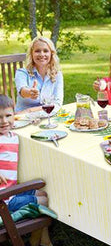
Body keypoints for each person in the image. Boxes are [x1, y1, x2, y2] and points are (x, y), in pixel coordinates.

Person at [0, 94, 52, 245]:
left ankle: (42, 240)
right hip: (4, 200)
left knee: (42, 193)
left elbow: (20, 121)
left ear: (14, 115)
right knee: (43, 201)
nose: (4, 121)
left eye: (8, 116)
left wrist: (33, 121)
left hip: (10, 189)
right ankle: (37, 242)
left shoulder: (10, 134)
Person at [15, 36, 63, 113]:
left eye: (46, 51)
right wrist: (29, 93)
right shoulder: (22, 73)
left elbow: (57, 104)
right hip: (24, 117)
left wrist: (30, 110)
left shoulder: (57, 74)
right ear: (31, 54)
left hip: (47, 116)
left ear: (51, 54)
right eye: (37, 51)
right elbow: (22, 91)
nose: (41, 54)